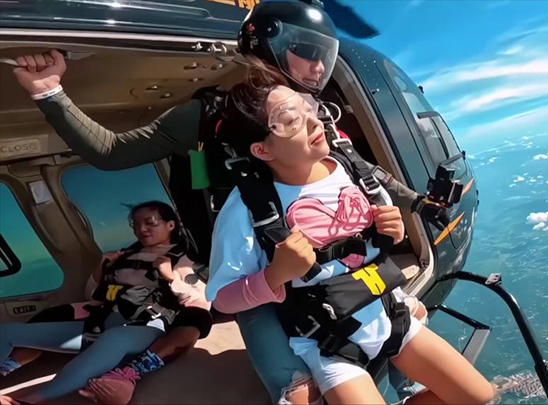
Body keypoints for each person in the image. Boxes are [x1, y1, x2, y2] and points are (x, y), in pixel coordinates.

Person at [9, 1, 428, 403]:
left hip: (334, 267)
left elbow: (365, 173)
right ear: (269, 46)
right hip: (251, 268)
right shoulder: (211, 115)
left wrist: (415, 206)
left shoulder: (321, 117)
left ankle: (405, 387)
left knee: (402, 325)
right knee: (297, 392)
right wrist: (51, 93)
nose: (320, 67)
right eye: (307, 52)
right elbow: (111, 152)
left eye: (324, 54)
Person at [205, 71, 496, 404]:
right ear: (262, 150)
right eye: (290, 120)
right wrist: (276, 275)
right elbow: (222, 299)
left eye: (307, 107)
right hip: (329, 342)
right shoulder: (249, 206)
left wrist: (393, 230)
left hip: (388, 312)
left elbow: (376, 234)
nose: (313, 122)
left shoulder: (348, 167)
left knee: (479, 396)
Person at [0, 201, 208, 405]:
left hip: (144, 327)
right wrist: (101, 267)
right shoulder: (124, 257)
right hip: (99, 323)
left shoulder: (182, 261)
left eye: (150, 222)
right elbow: (93, 294)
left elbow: (199, 301)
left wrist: (170, 277)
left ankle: (29, 401)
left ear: (171, 225)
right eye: (136, 225)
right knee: (8, 332)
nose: (142, 229)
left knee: (114, 337)